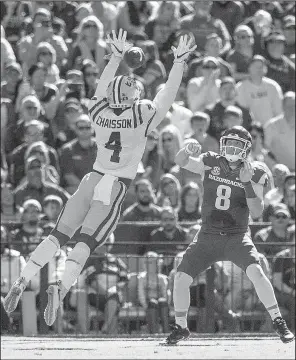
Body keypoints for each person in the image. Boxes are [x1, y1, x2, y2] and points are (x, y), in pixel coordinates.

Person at [3, 29, 197, 328]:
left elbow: (100, 86)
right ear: (135, 96)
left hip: (90, 179)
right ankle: (61, 287)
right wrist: (179, 63)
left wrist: (116, 58)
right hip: (114, 186)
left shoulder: (98, 111)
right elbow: (167, 93)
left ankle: (23, 277)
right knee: (84, 243)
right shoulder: (143, 113)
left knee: (56, 236)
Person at [166, 125, 294, 344]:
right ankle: (181, 327)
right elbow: (180, 161)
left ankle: (278, 321)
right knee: (180, 278)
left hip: (237, 236)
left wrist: (246, 182)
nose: (233, 148)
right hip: (208, 234)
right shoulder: (211, 161)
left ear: (246, 149)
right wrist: (187, 149)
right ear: (222, 143)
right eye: (230, 142)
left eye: (238, 144)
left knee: (256, 272)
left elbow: (257, 211)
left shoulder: (255, 171)